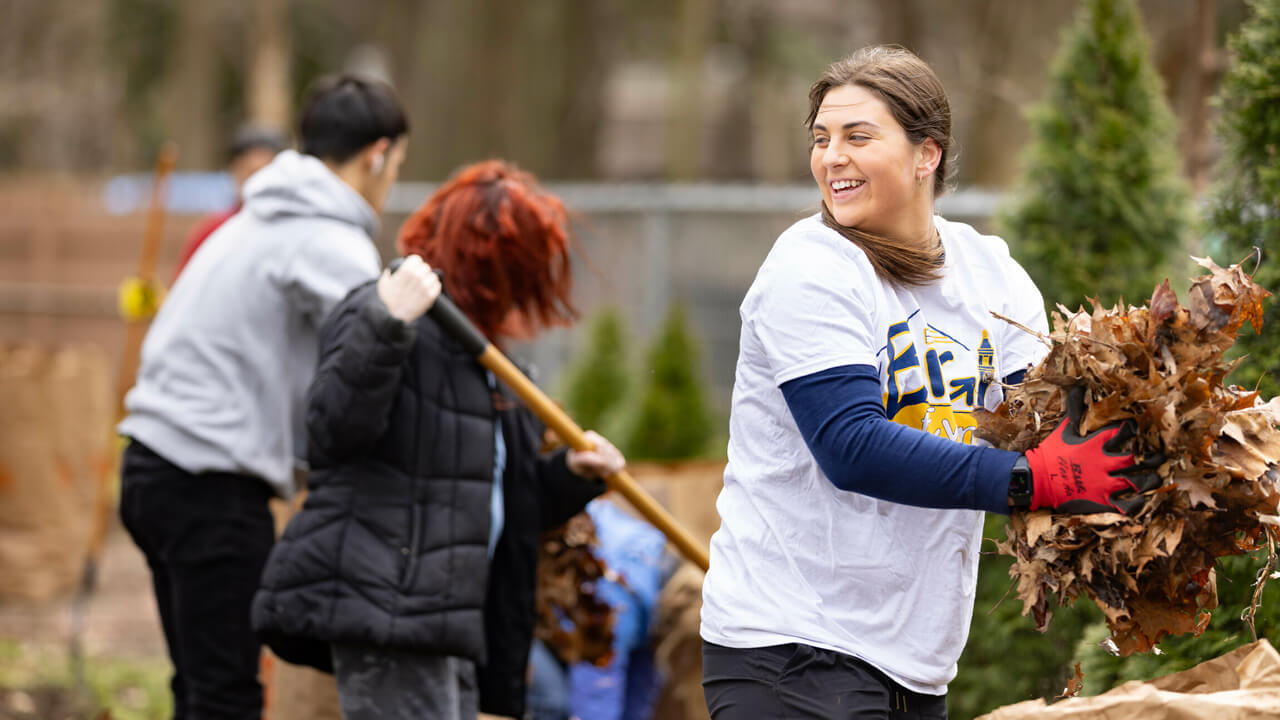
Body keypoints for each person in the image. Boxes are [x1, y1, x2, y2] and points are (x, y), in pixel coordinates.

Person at [698, 45, 1160, 719]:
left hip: (916, 662)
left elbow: (1041, 424)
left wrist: (1143, 458)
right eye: (821, 139)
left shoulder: (990, 274)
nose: (831, 158)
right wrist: (1031, 481)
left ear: (926, 154)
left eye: (858, 137)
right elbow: (850, 446)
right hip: (790, 647)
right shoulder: (812, 267)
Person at [252, 160, 626, 720]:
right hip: (391, 610)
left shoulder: (490, 365)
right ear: (492, 267)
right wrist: (385, 324)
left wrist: (576, 476)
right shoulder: (386, 314)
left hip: (455, 619)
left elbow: (506, 505)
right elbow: (331, 433)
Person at [116, 75, 409, 719]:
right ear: (378, 154)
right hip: (208, 482)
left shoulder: (253, 220)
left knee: (198, 684)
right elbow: (378, 351)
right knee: (226, 697)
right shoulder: (327, 238)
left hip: (152, 466)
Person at [172, 124, 288, 279]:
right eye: (251, 172)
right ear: (234, 170)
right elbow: (183, 290)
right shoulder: (212, 233)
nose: (259, 183)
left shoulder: (291, 231)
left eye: (266, 172)